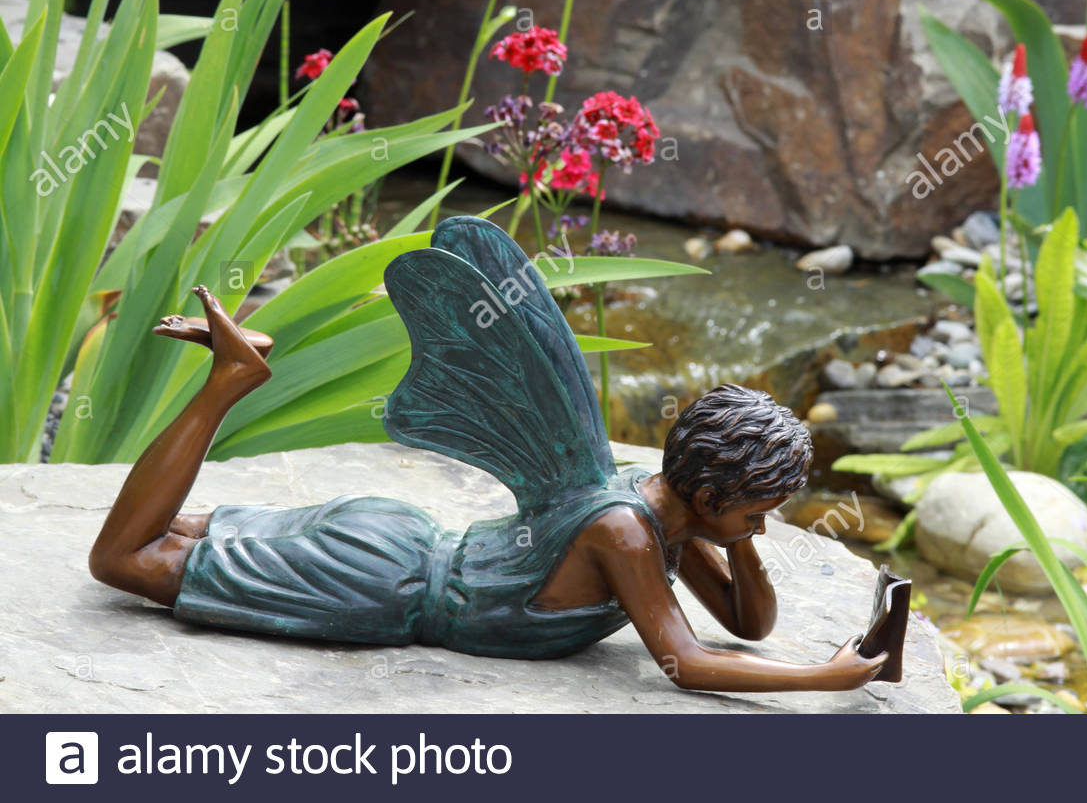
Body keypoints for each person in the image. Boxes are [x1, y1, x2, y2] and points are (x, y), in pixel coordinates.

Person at [89, 218, 888, 692]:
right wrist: (821, 679)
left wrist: (740, 537)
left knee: (177, 532)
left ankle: (234, 371)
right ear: (708, 493)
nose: (763, 525)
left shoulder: (670, 510)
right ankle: (231, 380)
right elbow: (684, 662)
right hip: (384, 582)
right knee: (126, 559)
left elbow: (747, 625)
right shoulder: (626, 532)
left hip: (397, 540)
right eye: (756, 512)